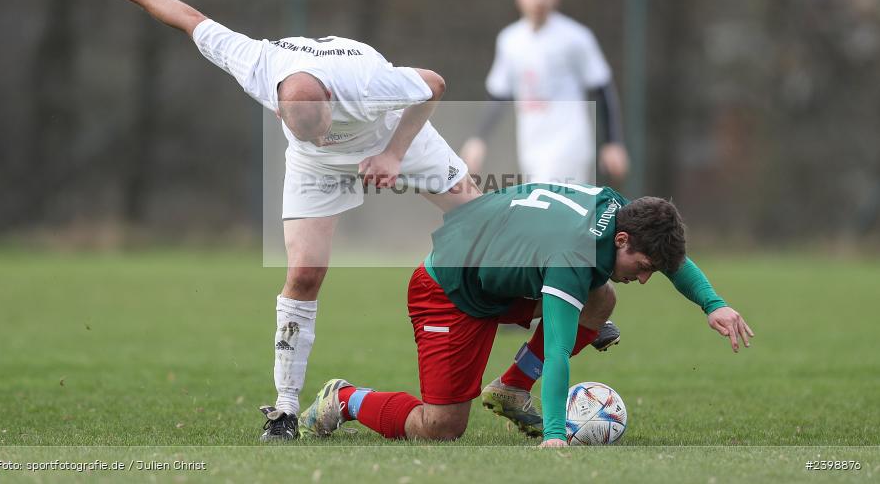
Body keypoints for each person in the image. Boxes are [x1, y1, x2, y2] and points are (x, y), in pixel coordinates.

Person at [76, 0, 487, 440]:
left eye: (323, 127)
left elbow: (434, 84)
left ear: (331, 100)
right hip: (316, 170)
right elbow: (188, 19)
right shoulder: (257, 65)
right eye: (307, 131)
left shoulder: (367, 84)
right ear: (276, 109)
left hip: (396, 139)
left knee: (485, 227)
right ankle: (286, 408)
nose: (321, 135)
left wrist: (394, 154)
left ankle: (532, 357)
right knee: (304, 273)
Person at [295, 182, 753, 446]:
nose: (647, 278)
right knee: (441, 427)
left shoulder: (618, 210)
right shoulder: (573, 257)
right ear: (621, 241)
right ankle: (345, 398)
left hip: (499, 278)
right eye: (645, 267)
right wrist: (555, 435)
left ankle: (511, 388)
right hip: (447, 291)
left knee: (602, 298)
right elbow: (559, 353)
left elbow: (668, 257)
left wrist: (714, 304)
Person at [460, 0, 629, 186]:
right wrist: (478, 139)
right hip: (531, 144)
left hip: (568, 143)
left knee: (549, 202)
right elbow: (498, 94)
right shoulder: (509, 40)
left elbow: (602, 87)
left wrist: (613, 142)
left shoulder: (576, 37)